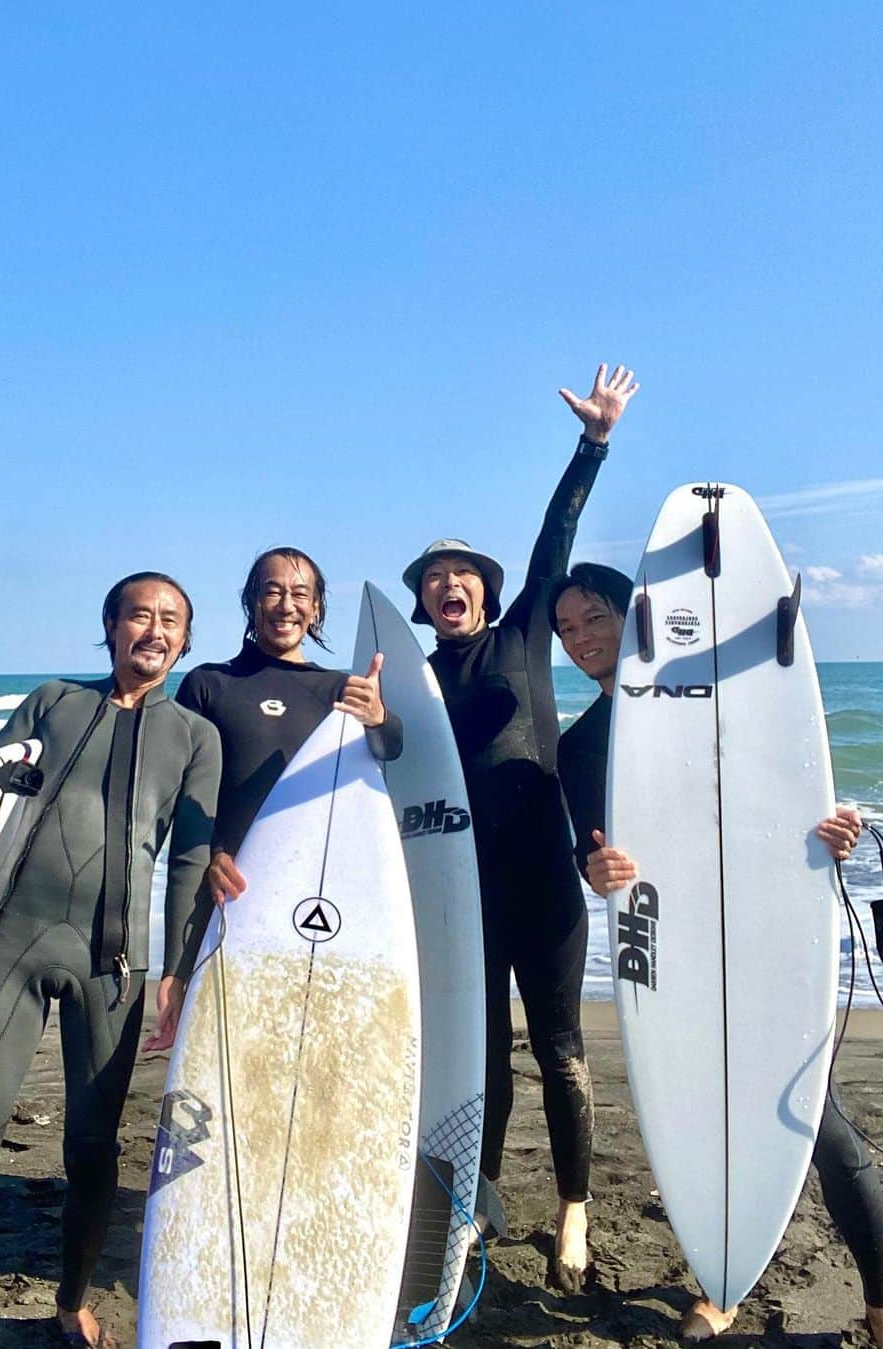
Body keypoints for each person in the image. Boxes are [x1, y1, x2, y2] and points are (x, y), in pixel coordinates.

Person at [550, 562, 883, 1344]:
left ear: (631, 618)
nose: (581, 638)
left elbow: (792, 794)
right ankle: (723, 1281)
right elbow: (588, 853)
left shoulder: (722, 700)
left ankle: (879, 1300)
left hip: (763, 937)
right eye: (566, 629)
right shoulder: (581, 745)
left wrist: (837, 827)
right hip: (674, 948)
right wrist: (594, 871)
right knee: (703, 1115)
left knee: (817, 1123)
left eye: (594, 617)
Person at [0, 572, 221, 1349]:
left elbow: (190, 861)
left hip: (114, 965)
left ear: (185, 639)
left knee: (92, 1150)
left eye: (171, 620)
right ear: (111, 625)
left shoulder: (193, 737)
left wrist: (178, 973)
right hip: (15, 943)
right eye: (140, 614)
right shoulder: (53, 701)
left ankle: (70, 1301)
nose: (154, 629)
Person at [400, 362, 639, 1292]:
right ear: (422, 601)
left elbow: (558, 538)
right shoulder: (414, 682)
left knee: (561, 1053)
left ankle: (574, 1211)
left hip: (543, 883)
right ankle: (480, 1203)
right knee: (479, 1059)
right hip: (463, 894)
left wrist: (594, 442)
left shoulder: (525, 633)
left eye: (461, 574)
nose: (447, 585)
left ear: (486, 590)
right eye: (433, 579)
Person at [175, 546, 401, 908]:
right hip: (228, 886)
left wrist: (378, 718)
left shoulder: (339, 690)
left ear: (316, 608)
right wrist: (213, 855)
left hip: (316, 886)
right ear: (253, 601)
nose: (285, 605)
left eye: (299, 594)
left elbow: (390, 748)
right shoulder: (209, 684)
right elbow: (182, 795)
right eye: (272, 591)